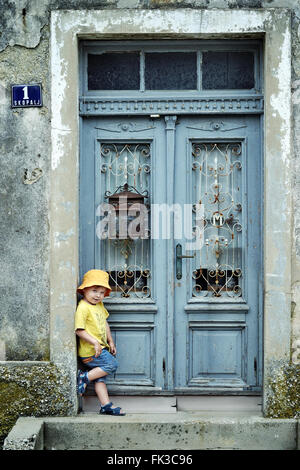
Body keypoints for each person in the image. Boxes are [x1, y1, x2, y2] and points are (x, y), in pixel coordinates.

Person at [75, 269, 125, 415]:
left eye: (102, 292)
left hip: (101, 348)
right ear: (84, 290)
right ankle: (84, 377)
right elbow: (79, 330)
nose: (98, 295)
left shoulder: (99, 305)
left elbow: (104, 323)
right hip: (90, 351)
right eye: (94, 290)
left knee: (100, 378)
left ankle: (105, 405)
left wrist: (110, 341)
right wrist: (95, 342)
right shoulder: (83, 307)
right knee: (112, 364)